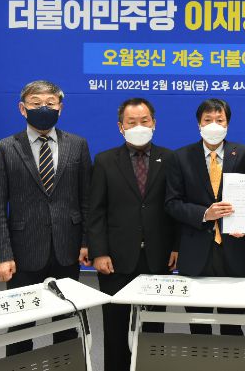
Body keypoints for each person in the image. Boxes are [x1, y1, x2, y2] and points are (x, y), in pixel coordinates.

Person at [0, 80, 92, 356]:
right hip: (22, 253)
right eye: (36, 103)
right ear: (23, 108)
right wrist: (1, 255)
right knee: (21, 327)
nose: (43, 108)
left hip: (67, 249)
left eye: (50, 103)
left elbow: (86, 200)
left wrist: (86, 242)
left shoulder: (78, 145)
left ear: (60, 108)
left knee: (67, 323)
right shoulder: (4, 149)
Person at [86, 98, 179, 371]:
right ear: (121, 127)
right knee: (115, 326)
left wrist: (176, 247)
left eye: (144, 121)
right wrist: (99, 252)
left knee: (153, 328)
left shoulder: (170, 159)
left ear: (154, 123)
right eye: (132, 122)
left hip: (158, 257)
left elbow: (175, 207)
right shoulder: (104, 161)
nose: (139, 126)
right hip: (116, 260)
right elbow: (96, 211)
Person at [165, 98, 245, 335]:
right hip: (195, 252)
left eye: (219, 120)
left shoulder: (244, 154)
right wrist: (205, 214)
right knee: (198, 326)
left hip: (233, 250)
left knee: (232, 326)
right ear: (199, 124)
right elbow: (172, 204)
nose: (214, 125)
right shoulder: (181, 157)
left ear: (227, 124)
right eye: (208, 120)